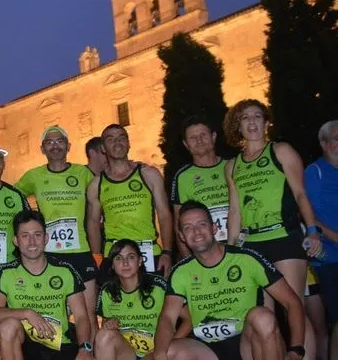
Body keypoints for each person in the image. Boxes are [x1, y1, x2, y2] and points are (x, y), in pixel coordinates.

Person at [224, 99, 320, 357]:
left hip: (284, 238)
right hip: (252, 245)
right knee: (263, 316)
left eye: (257, 116)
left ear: (266, 122)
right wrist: (230, 251)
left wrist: (312, 230)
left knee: (294, 309)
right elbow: (235, 211)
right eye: (245, 118)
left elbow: (300, 194)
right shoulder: (232, 166)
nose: (252, 122)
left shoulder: (281, 151)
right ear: (238, 126)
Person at [152, 201, 306, 360]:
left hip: (248, 343)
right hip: (208, 348)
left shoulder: (246, 259)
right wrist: (160, 353)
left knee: (263, 317)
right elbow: (167, 318)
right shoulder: (181, 271)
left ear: (214, 228)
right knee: (166, 352)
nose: (196, 232)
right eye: (188, 227)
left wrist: (296, 350)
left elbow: (292, 302)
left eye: (202, 224)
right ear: (182, 236)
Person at [16, 126, 97, 326]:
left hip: (80, 251)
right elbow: (10, 196)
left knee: (88, 314)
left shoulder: (83, 173)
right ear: (42, 149)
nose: (55, 146)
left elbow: (102, 193)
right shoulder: (34, 176)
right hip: (49, 252)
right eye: (49, 142)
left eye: (60, 141)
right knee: (54, 313)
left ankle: (90, 346)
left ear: (68, 146)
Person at [0, 210, 93, 360]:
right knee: (8, 326)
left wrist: (84, 349)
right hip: (24, 346)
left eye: (37, 235)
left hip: (60, 345)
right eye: (25, 236)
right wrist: (27, 313)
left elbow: (81, 317)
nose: (32, 242)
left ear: (46, 238)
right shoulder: (5, 272)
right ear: (16, 241)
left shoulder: (65, 270)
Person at [87, 124, 173, 277]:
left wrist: (167, 252)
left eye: (122, 138)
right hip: (114, 254)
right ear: (103, 148)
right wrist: (97, 257)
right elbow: (93, 222)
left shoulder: (149, 174)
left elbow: (164, 214)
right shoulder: (96, 184)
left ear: (128, 143)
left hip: (149, 251)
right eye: (110, 139)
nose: (117, 142)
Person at [95, 239, 186, 360]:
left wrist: (166, 347)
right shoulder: (108, 291)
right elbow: (106, 325)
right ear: (112, 265)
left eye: (131, 257)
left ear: (140, 261)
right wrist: (110, 323)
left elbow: (188, 319)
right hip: (128, 352)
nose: (125, 263)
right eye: (119, 258)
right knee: (104, 335)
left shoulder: (158, 287)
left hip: (160, 351)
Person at [171, 117, 229, 256]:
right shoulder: (182, 177)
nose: (199, 140)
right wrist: (188, 259)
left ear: (213, 136)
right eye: (193, 137)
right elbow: (178, 222)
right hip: (205, 249)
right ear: (186, 144)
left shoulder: (232, 166)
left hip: (240, 244)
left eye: (203, 135)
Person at [304, 119, 338, 359]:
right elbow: (308, 214)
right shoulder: (314, 172)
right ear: (325, 144)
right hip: (329, 258)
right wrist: (334, 236)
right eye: (337, 139)